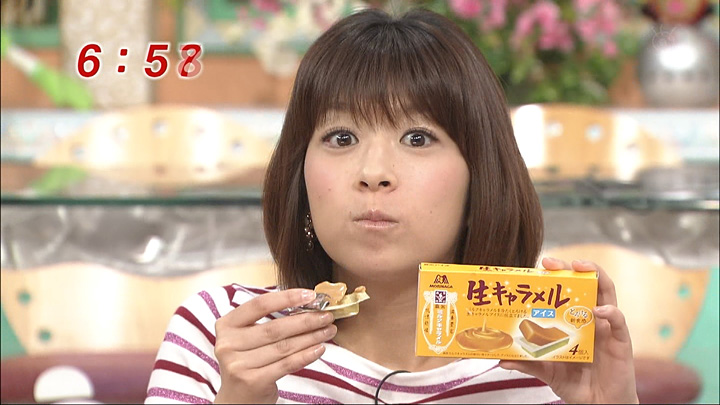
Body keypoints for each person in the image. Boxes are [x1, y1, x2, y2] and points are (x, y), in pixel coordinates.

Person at [145, 7, 638, 404]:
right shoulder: (222, 337)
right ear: (300, 175)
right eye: (341, 137)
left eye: (417, 138)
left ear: (480, 180)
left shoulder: (551, 365)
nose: (373, 171)